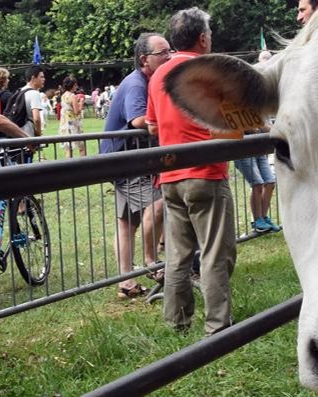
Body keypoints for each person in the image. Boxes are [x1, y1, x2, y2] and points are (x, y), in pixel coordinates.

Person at [146, 8, 236, 336]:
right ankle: (218, 327)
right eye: (210, 34)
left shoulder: (157, 76)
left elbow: (153, 127)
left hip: (170, 177)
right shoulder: (212, 70)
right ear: (202, 38)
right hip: (207, 174)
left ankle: (176, 323)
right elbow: (234, 123)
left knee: (178, 255)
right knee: (215, 252)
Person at [102, 32, 172, 299]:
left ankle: (126, 283)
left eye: (170, 50)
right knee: (158, 204)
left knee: (126, 223)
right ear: (145, 59)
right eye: (162, 53)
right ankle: (152, 263)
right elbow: (138, 121)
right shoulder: (136, 84)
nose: (169, 56)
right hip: (126, 161)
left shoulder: (148, 80)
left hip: (126, 160)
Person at [235, 51, 282, 234]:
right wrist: (275, 131)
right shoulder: (236, 100)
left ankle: (264, 217)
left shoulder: (258, 99)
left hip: (260, 148)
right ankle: (257, 220)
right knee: (257, 183)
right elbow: (257, 124)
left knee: (269, 182)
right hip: (244, 149)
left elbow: (261, 123)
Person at [58, 75, 86, 158]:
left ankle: (68, 167)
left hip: (65, 124)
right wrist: (81, 102)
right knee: (82, 147)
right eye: (75, 85)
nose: (76, 87)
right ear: (73, 85)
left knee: (68, 148)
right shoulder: (73, 96)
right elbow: (77, 112)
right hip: (74, 124)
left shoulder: (63, 96)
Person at [19, 66, 47, 138]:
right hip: (29, 134)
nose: (44, 79)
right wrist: (38, 133)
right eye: (41, 77)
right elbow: (36, 118)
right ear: (33, 78)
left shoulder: (20, 91)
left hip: (18, 132)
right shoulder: (34, 93)